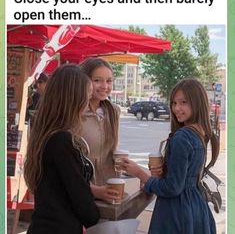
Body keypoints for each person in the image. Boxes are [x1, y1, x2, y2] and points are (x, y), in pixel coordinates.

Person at [122, 78, 219, 234]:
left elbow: (172, 188)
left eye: (183, 102)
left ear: (197, 102)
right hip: (195, 206)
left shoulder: (182, 137)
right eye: (174, 103)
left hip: (176, 212)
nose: (176, 108)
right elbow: (185, 176)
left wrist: (139, 173)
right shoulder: (200, 134)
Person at [24, 64, 100, 234]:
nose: (87, 107)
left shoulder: (46, 134)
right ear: (73, 100)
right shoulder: (62, 141)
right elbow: (83, 203)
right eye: (86, 100)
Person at [78, 57, 120, 201]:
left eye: (109, 81)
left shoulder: (113, 111)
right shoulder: (74, 112)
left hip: (109, 187)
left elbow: (113, 151)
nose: (104, 86)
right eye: (97, 80)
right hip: (81, 188)